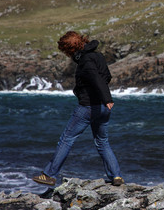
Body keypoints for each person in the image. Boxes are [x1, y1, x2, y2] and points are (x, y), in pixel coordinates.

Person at [33, 31, 124, 186]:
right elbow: (106, 77)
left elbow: (96, 78)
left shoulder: (86, 61)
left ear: (70, 50)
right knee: (102, 141)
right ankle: (116, 176)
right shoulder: (98, 56)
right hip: (103, 109)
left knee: (66, 139)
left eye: (65, 51)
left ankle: (49, 174)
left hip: (89, 107)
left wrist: (106, 97)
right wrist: (105, 99)